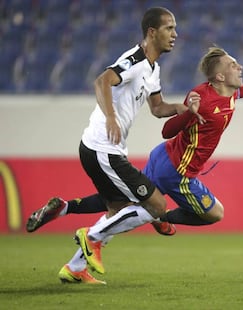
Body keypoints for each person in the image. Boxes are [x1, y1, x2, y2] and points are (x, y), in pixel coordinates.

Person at [27, 46, 243, 284]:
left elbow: (242, 91)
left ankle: (74, 261)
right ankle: (143, 223)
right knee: (212, 213)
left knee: (123, 206)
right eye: (234, 65)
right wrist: (189, 113)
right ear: (220, 76)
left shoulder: (230, 90)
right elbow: (167, 130)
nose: (240, 66)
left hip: (162, 158)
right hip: (177, 172)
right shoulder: (202, 99)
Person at [26, 6, 194, 284]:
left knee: (119, 210)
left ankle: (74, 261)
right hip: (102, 147)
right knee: (156, 206)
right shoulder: (135, 59)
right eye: (169, 28)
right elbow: (101, 81)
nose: (175, 34)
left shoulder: (153, 69)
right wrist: (112, 118)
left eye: (175, 28)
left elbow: (158, 108)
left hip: (102, 149)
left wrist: (184, 109)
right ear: (152, 32)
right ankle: (91, 237)